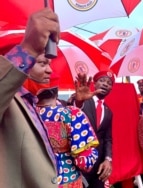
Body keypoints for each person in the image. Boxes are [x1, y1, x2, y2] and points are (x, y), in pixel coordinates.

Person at [0, 8, 60, 188]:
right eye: (41, 62)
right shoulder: (7, 101)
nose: (50, 70)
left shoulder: (28, 101)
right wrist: (28, 49)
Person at [36, 75, 99, 187]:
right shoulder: (71, 114)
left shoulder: (27, 112)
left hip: (36, 176)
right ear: (57, 91)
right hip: (67, 178)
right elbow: (84, 161)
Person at [69, 71, 114, 188]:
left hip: (98, 167)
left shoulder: (109, 111)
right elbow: (73, 113)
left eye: (109, 83)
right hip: (77, 163)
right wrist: (79, 102)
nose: (105, 84)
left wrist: (108, 159)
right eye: (102, 81)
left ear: (111, 89)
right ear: (94, 83)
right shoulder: (82, 101)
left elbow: (107, 138)